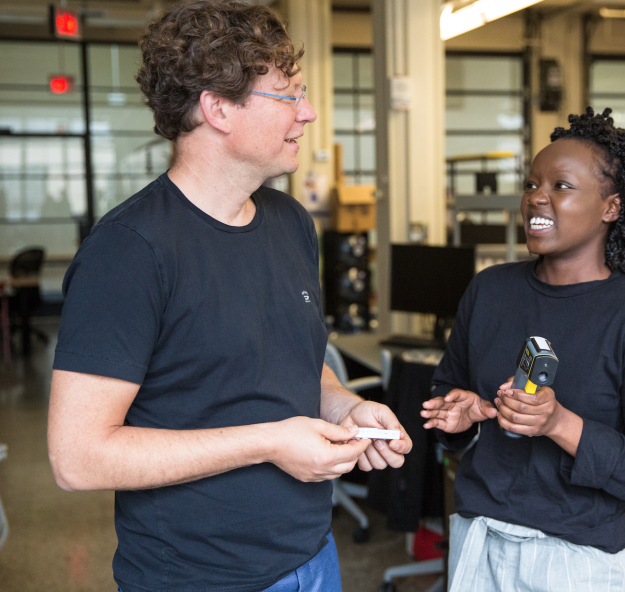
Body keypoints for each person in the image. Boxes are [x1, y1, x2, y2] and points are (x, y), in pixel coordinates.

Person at [46, 2, 411, 591]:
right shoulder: (129, 252)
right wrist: (269, 442)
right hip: (198, 577)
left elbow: (291, 359)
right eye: (288, 95)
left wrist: (341, 405)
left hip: (313, 560)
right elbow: (78, 458)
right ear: (218, 109)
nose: (309, 112)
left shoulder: (291, 222)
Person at [422, 108, 625, 591]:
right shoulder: (489, 290)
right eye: (530, 184)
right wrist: (462, 415)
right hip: (479, 534)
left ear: (611, 207)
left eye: (561, 186)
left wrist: (558, 424)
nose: (536, 198)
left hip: (578, 556)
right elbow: (449, 388)